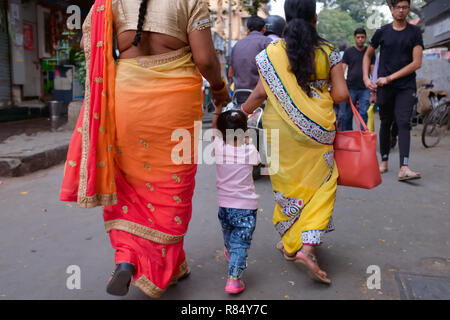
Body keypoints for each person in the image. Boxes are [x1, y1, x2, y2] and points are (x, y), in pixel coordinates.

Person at [60, 0, 230, 298]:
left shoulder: (111, 2)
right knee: (171, 187)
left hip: (125, 96)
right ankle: (153, 265)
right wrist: (219, 89)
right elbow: (204, 59)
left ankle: (128, 258)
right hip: (175, 102)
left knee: (131, 187)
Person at [241, 0, 348, 284]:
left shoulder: (272, 54)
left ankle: (291, 244)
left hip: (281, 134)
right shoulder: (328, 52)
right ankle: (307, 247)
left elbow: (257, 96)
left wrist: (237, 116)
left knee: (288, 188)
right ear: (315, 18)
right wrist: (316, 91)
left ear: (286, 19)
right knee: (322, 185)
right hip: (318, 131)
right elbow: (340, 94)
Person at [363, 0, 423, 181]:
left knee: (404, 122)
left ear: (409, 10)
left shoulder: (414, 32)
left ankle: (404, 167)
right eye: (398, 7)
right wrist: (366, 78)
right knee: (386, 122)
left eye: (405, 7)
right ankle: (384, 161)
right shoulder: (382, 32)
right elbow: (367, 55)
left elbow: (416, 63)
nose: (401, 11)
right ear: (391, 10)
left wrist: (390, 77)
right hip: (384, 89)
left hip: (405, 86)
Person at [214, 110, 261, 294]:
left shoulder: (218, 147)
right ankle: (234, 279)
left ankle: (229, 249)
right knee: (241, 243)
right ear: (245, 131)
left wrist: (218, 108)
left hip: (224, 206)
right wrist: (248, 140)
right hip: (245, 208)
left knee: (228, 232)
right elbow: (257, 162)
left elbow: (217, 132)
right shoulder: (249, 150)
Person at [228, 15, 272, 103]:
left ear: (247, 30)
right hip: (261, 99)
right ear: (264, 29)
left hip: (239, 97)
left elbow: (230, 74)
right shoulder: (267, 42)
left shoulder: (237, 45)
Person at [342, 28, 375, 130]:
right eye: (358, 37)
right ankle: (349, 137)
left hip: (365, 88)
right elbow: (343, 68)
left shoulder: (369, 52)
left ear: (365, 38)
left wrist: (374, 87)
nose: (360, 39)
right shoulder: (348, 52)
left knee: (363, 113)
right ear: (354, 38)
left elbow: (372, 69)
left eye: (362, 37)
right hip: (350, 87)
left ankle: (363, 137)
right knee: (347, 115)